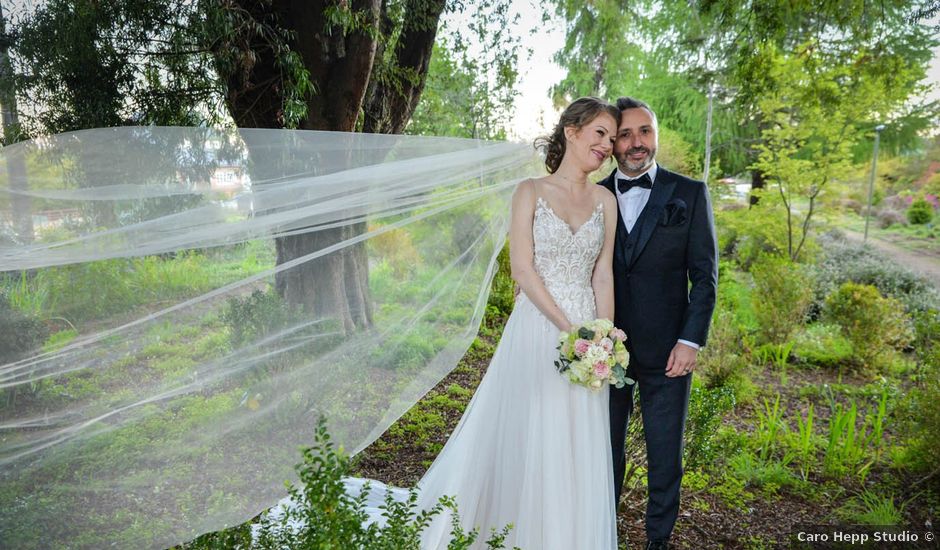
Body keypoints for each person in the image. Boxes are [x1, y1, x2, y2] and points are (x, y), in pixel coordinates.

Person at [341, 97, 622, 549]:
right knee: (532, 428)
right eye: (600, 134)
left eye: (611, 138)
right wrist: (568, 329)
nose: (607, 145)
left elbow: (602, 272)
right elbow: (523, 271)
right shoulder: (529, 192)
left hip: (588, 339)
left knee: (576, 441)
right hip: (537, 329)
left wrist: (603, 334)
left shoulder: (606, 201)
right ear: (572, 131)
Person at [600, 97, 718, 550]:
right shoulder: (596, 195)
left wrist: (690, 340)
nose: (636, 143)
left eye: (644, 132)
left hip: (670, 350)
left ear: (656, 136)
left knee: (665, 452)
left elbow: (705, 276)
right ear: (612, 144)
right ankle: (600, 528)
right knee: (605, 451)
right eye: (625, 134)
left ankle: (658, 539)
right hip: (606, 352)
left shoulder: (689, 193)